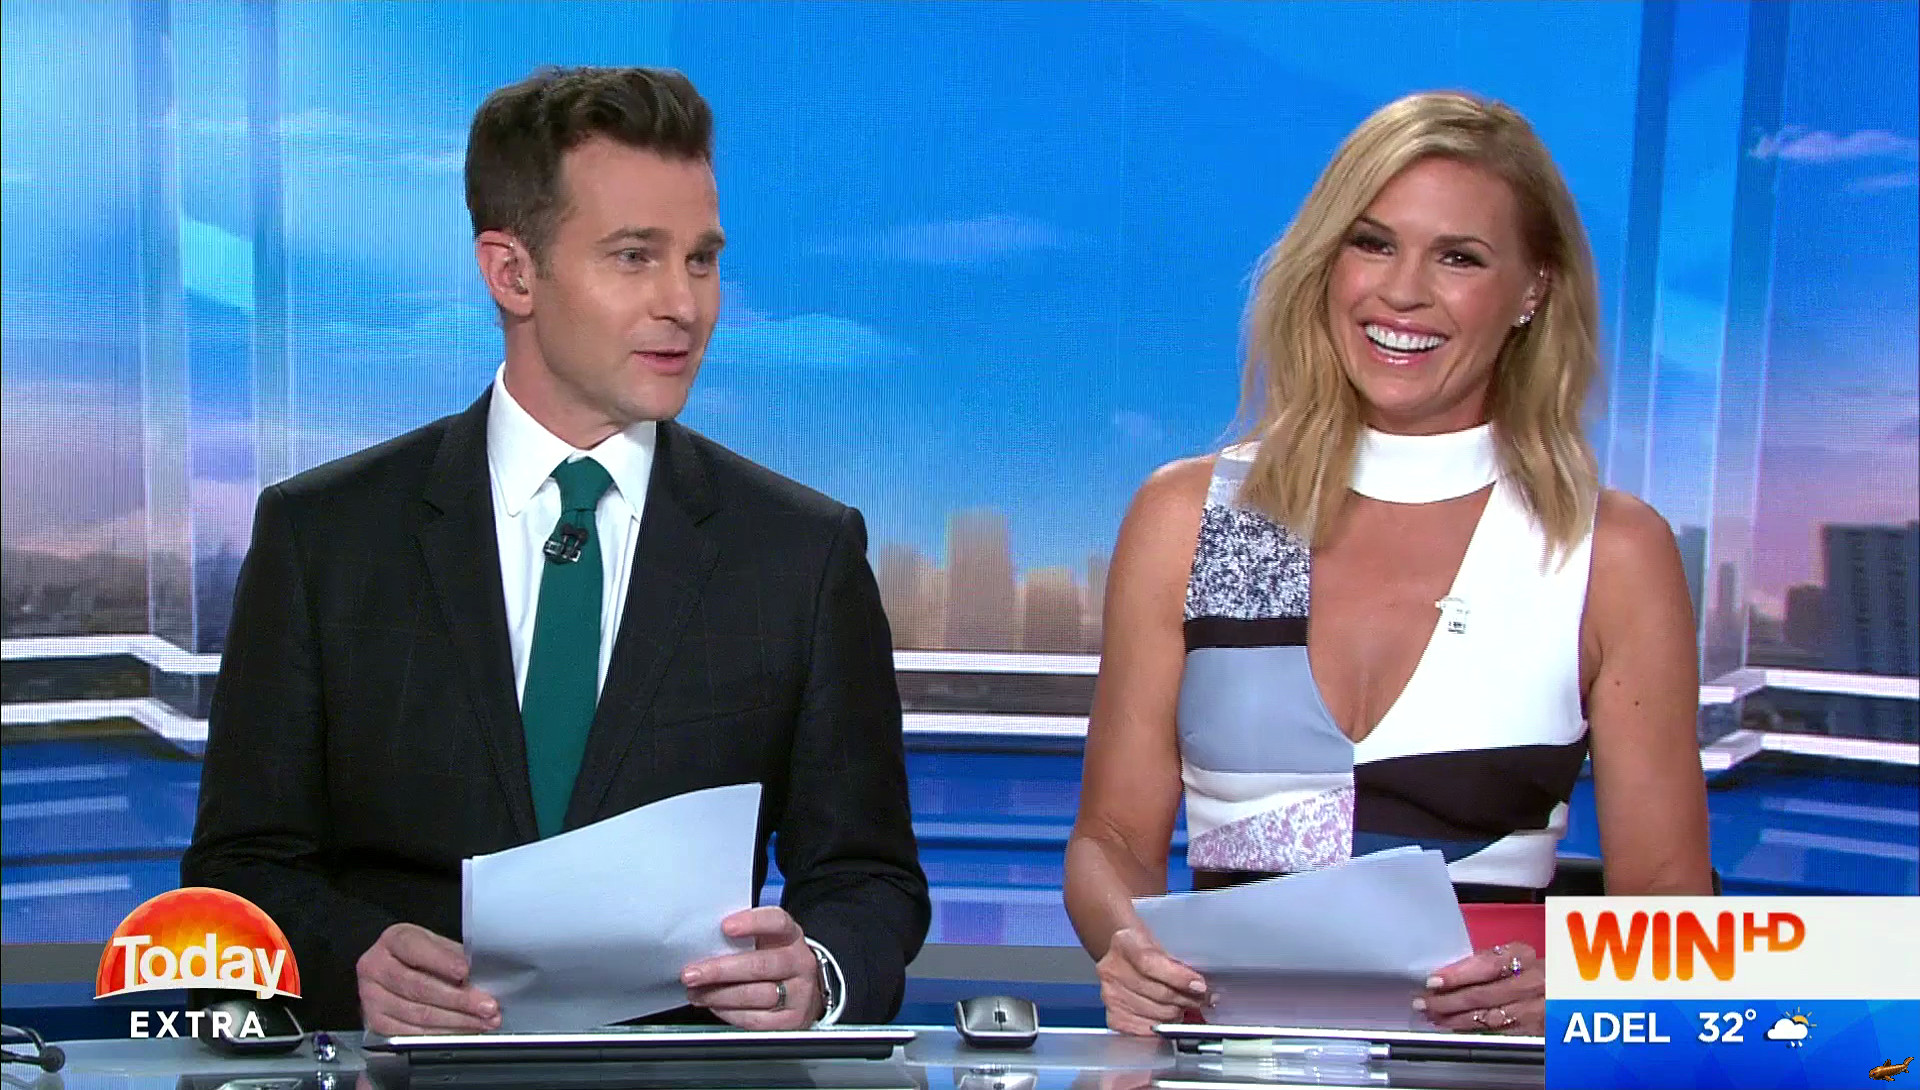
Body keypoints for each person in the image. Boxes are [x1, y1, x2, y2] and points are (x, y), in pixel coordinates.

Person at [180, 66, 929, 1034]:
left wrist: (818, 976)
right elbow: (238, 874)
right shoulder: (323, 538)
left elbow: (869, 879)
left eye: (702, 260)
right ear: (512, 273)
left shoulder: (802, 555)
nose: (685, 303)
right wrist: (351, 966)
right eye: (635, 257)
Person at [1063, 90, 1714, 1038]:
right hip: (1233, 1060)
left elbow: (1669, 896)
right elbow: (1112, 838)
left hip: (1489, 1064)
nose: (1402, 292)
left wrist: (1580, 982)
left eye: (1459, 257)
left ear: (1533, 291)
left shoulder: (1604, 552)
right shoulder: (1196, 520)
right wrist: (1130, 947)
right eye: (1372, 243)